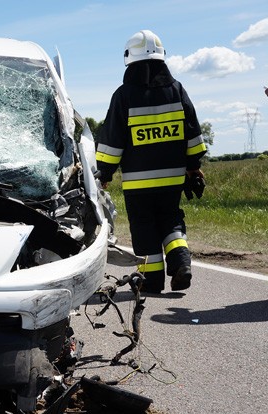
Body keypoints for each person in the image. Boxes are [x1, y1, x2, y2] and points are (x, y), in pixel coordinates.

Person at [96, 29, 207, 294]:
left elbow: (113, 141)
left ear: (129, 59)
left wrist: (105, 173)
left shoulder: (124, 95)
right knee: (171, 219)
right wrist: (193, 167)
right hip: (173, 178)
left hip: (138, 182)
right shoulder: (176, 90)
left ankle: (152, 281)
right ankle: (181, 260)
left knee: (144, 227)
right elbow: (193, 133)